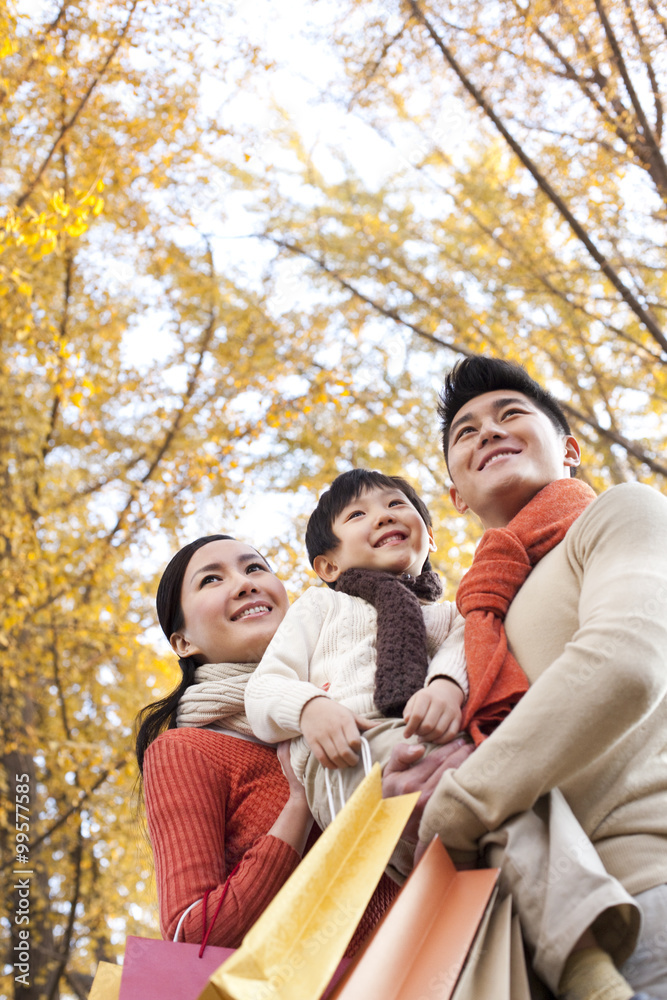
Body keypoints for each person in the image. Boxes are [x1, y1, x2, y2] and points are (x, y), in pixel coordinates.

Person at [418, 356, 667, 1000]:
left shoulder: (621, 514)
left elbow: (626, 661)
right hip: (525, 948)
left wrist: (461, 804)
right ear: (455, 494)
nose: (488, 432)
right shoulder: (471, 626)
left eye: (510, 415)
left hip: (649, 889)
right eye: (465, 433)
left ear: (571, 449)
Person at [135, 533, 397, 950]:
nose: (245, 582)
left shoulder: (355, 697)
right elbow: (191, 934)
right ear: (184, 643)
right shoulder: (186, 750)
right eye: (211, 580)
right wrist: (300, 800)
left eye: (255, 567)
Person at [245, 469, 481, 879]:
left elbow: (463, 650)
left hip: (428, 739)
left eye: (395, 504)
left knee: (497, 820)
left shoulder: (447, 615)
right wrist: (310, 709)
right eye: (357, 515)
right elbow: (264, 688)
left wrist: (445, 687)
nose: (384, 516)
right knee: (481, 791)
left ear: (429, 535)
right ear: (329, 565)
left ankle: (588, 918)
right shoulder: (321, 607)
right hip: (349, 755)